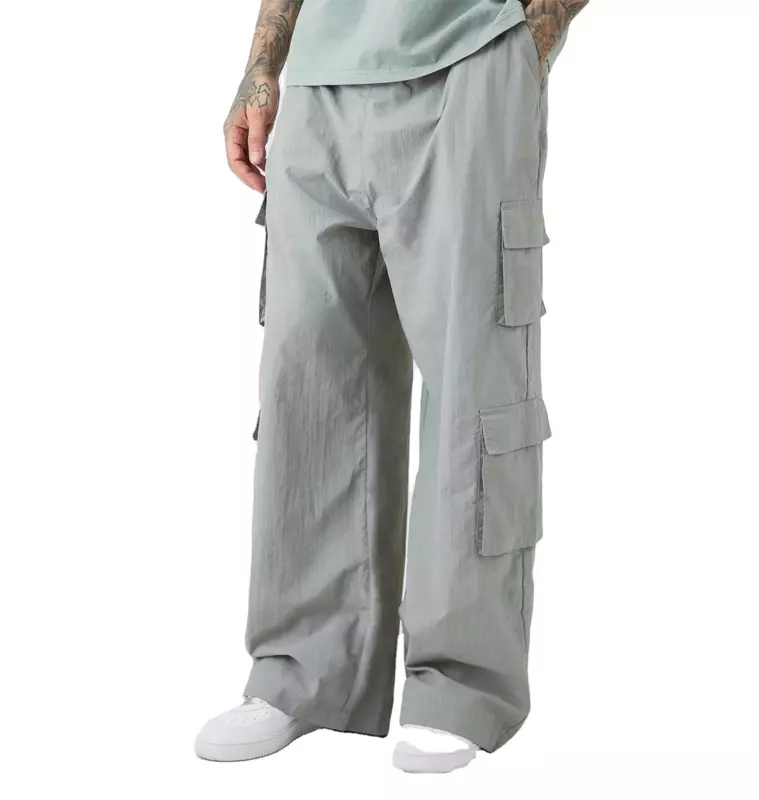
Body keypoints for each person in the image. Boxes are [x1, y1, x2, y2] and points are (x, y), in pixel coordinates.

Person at [195, 0, 589, 774]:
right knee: (308, 389)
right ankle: (307, 673)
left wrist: (537, 26)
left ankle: (459, 689)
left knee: (474, 383)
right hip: (320, 76)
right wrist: (263, 63)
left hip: (469, 52)